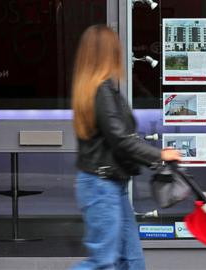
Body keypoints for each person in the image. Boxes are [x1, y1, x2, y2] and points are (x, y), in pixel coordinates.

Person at [70, 25, 181, 270]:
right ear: (107, 53)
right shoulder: (101, 92)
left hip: (112, 185)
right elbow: (120, 139)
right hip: (101, 186)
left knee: (132, 262)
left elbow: (120, 138)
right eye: (116, 49)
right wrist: (159, 154)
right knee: (103, 263)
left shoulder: (104, 90)